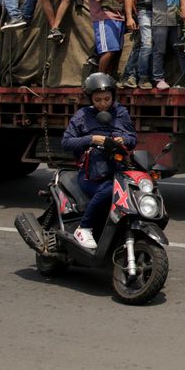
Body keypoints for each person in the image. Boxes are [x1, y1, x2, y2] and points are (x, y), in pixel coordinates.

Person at [60, 73, 137, 250]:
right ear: (90, 99)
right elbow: (66, 142)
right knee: (111, 191)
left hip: (118, 170)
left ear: (113, 97)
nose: (103, 103)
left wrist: (122, 139)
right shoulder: (82, 116)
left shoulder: (121, 113)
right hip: (89, 175)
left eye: (107, 99)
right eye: (98, 99)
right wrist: (92, 139)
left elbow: (132, 138)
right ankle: (84, 228)